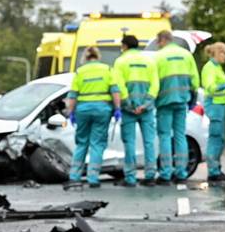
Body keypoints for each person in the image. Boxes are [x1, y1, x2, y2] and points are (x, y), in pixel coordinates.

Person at [64, 46, 122, 188]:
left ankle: (74, 176)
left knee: (82, 143)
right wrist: (117, 108)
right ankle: (93, 177)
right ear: (98, 56)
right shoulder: (107, 70)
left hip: (83, 110)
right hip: (102, 110)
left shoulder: (80, 72)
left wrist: (70, 112)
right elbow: (115, 90)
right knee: (97, 143)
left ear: (85, 57)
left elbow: (73, 95)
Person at [153, 30, 200, 184]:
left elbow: (154, 82)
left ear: (161, 40)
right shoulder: (186, 55)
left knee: (165, 136)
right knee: (180, 135)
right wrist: (191, 98)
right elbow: (195, 81)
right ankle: (181, 172)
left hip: (164, 102)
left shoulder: (158, 57)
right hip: (182, 101)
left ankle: (166, 173)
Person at [113, 34, 159, 187]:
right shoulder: (149, 62)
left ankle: (130, 177)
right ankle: (150, 175)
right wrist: (145, 104)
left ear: (124, 46)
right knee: (149, 142)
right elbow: (155, 86)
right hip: (146, 110)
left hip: (128, 110)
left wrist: (129, 105)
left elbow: (119, 86)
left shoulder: (120, 62)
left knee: (130, 143)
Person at [198, 42, 225, 182]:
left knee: (220, 139)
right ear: (217, 53)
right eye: (224, 53)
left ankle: (216, 168)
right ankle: (213, 171)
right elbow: (210, 87)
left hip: (220, 105)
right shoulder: (210, 67)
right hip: (214, 106)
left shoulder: (217, 67)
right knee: (215, 138)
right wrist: (224, 86)